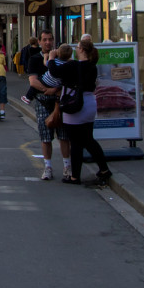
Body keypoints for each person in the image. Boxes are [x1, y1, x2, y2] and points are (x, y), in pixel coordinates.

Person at [49, 39, 112, 185]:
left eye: (77, 47)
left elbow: (54, 72)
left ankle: (75, 176)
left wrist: (52, 58)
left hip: (74, 104)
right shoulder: (92, 66)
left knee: (76, 142)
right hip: (89, 103)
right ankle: (103, 168)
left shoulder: (73, 65)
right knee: (88, 139)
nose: (76, 49)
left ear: (82, 50)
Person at [28, 30, 72, 181]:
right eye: (44, 40)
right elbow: (33, 81)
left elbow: (68, 78)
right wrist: (48, 90)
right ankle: (48, 167)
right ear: (39, 42)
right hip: (43, 101)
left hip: (60, 102)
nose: (48, 42)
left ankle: (67, 167)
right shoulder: (34, 59)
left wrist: (56, 90)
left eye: (50, 39)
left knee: (64, 136)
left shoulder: (62, 57)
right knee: (45, 137)